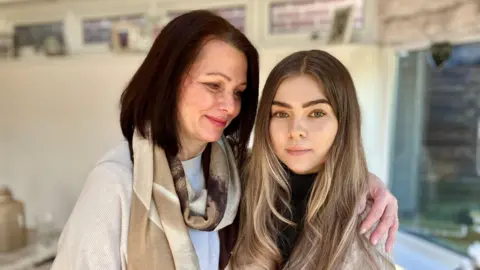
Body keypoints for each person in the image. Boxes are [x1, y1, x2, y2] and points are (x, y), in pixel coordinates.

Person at [52, 11, 398, 270]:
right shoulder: (116, 182)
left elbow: (304, 170)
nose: (230, 106)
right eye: (213, 85)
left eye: (238, 92)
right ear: (168, 80)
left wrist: (363, 182)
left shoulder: (233, 174)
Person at [232, 50, 396, 269]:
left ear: (344, 123)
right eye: (281, 113)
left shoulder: (366, 215)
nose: (296, 130)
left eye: (316, 113)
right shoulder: (235, 186)